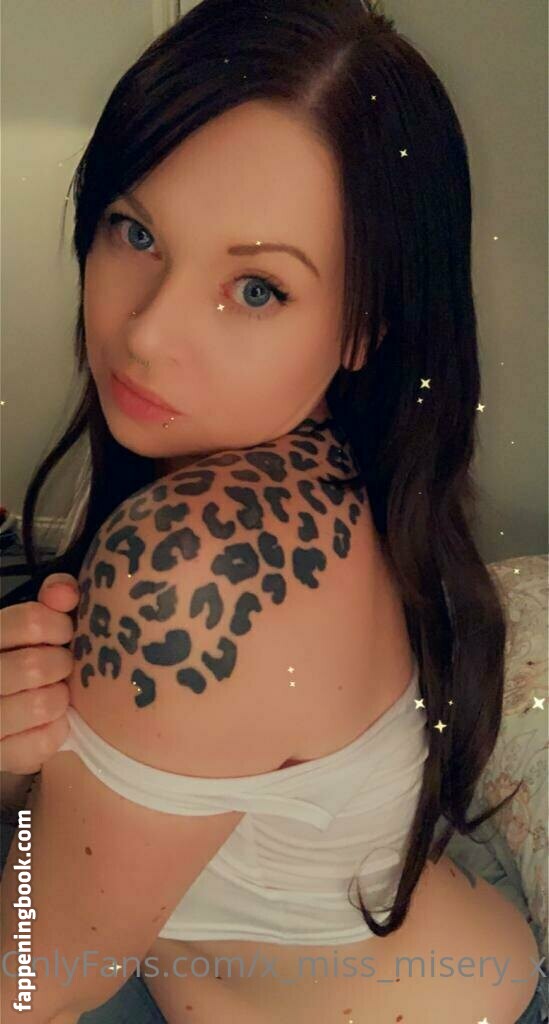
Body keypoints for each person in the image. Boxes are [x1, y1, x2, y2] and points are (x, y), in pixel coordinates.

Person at [0, 1, 545, 1021]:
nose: (147, 332)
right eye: (136, 231)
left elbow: (29, 982)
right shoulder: (334, 450)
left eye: (256, 289)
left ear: (367, 322)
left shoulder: (188, 564)